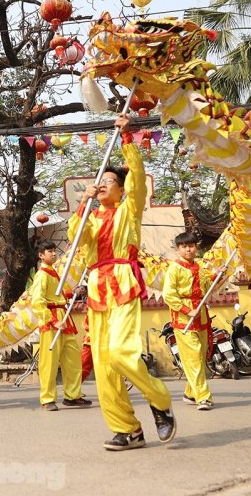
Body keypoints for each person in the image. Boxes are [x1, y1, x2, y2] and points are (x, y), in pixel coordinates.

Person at [67, 114, 175, 450]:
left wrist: (127, 139)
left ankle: (160, 399)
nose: (102, 185)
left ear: (120, 188)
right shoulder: (91, 215)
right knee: (103, 366)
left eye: (109, 181)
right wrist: (83, 202)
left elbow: (138, 180)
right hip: (98, 287)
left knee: (120, 353)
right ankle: (128, 429)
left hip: (124, 282)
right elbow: (76, 238)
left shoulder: (129, 210)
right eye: (99, 181)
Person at [30, 239, 90, 411]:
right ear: (41, 256)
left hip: (65, 318)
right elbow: (37, 302)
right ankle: (47, 398)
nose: (54, 254)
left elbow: (59, 295)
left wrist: (73, 293)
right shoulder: (41, 275)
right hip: (52, 321)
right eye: (50, 251)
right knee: (49, 363)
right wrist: (53, 320)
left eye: (54, 250)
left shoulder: (54, 273)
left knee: (72, 360)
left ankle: (73, 395)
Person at [163, 233, 216, 411]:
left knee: (200, 357)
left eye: (191, 246)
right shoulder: (174, 269)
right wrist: (186, 309)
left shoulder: (200, 268)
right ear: (178, 249)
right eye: (184, 246)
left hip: (200, 315)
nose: (188, 249)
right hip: (184, 318)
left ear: (196, 247)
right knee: (193, 358)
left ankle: (190, 393)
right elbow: (168, 295)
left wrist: (218, 276)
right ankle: (203, 397)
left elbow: (208, 290)